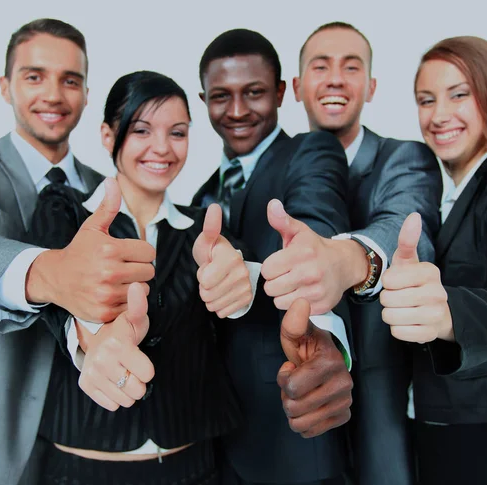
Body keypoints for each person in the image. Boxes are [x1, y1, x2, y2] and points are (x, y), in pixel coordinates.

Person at [0, 19, 157, 485]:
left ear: (84, 92)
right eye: (34, 76)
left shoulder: (109, 190)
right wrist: (51, 273)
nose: (54, 95)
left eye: (70, 80)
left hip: (87, 441)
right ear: (5, 86)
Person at [29, 69, 261, 485]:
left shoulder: (204, 229)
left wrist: (239, 282)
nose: (162, 148)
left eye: (177, 132)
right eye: (141, 130)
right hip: (83, 467)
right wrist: (89, 333)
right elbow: (47, 298)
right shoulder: (66, 211)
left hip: (192, 465)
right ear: (106, 135)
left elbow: (242, 290)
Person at [264, 22, 442, 485]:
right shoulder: (271, 171)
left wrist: (344, 261)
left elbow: (407, 232)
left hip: (380, 412)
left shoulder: (404, 158)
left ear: (371, 85)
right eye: (321, 67)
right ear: (298, 87)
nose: (336, 79)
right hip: (286, 415)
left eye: (352, 66)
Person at [192, 28, 353, 485]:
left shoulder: (312, 151)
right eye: (221, 96)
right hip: (218, 436)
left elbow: (314, 230)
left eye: (255, 93)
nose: (238, 111)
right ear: (202, 98)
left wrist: (259, 272)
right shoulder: (203, 195)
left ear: (282, 92)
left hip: (295, 435)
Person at [380, 36, 487, 485]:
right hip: (439, 426)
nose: (438, 116)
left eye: (458, 94)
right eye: (425, 100)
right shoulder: (441, 191)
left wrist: (448, 314)